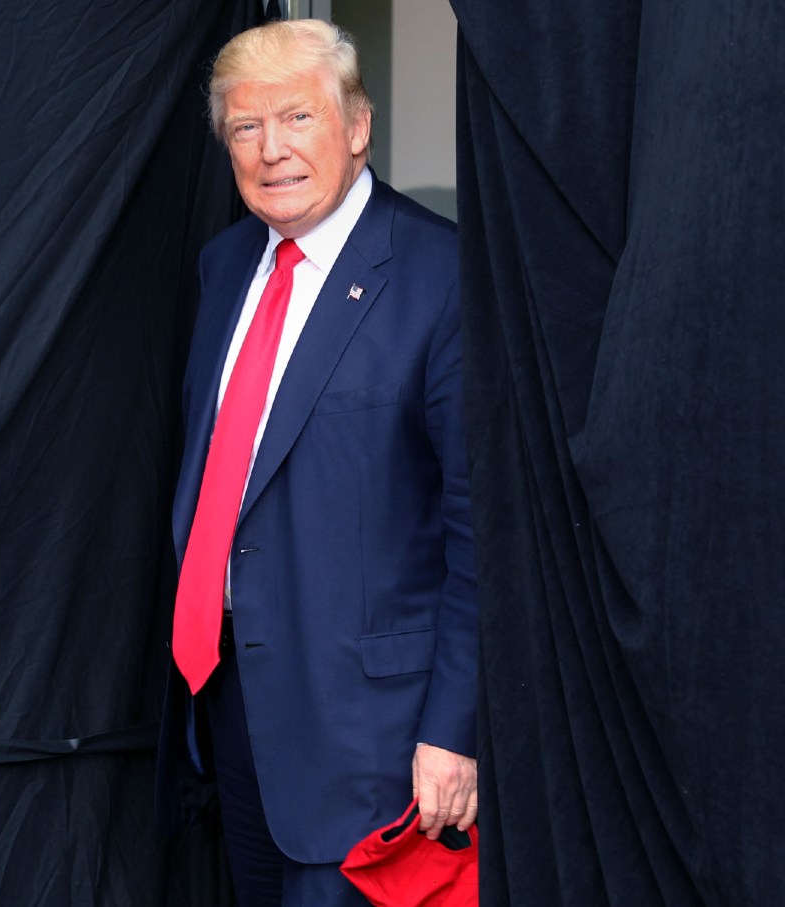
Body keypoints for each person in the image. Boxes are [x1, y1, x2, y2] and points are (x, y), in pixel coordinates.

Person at [155, 18, 478, 906]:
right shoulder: (224, 269)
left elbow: (482, 530)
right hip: (233, 709)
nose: (271, 152)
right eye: (247, 128)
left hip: (377, 740)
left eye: (297, 118)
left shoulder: (441, 275)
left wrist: (455, 733)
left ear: (358, 125)